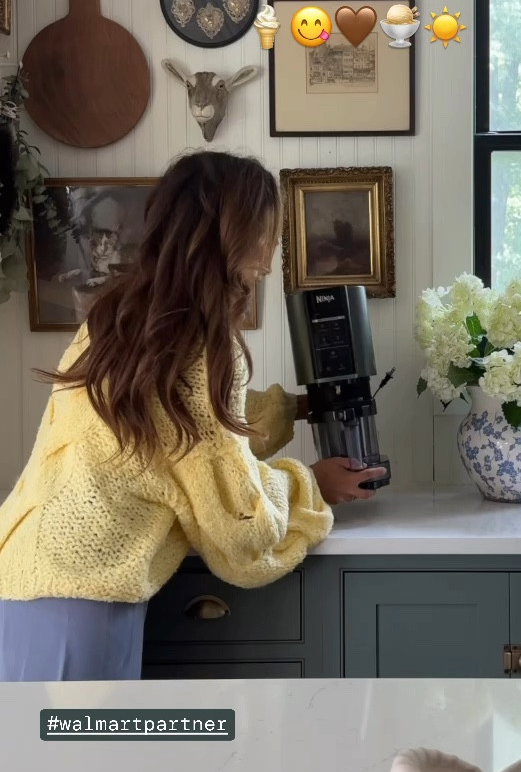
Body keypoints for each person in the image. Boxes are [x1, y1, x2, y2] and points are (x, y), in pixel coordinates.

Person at [0, 151, 385, 681]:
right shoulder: (203, 345)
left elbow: (185, 438)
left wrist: (294, 411)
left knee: (29, 739)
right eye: (265, 233)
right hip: (87, 600)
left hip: (21, 577)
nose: (270, 257)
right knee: (83, 740)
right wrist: (311, 484)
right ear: (229, 233)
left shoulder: (115, 318)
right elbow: (239, 527)